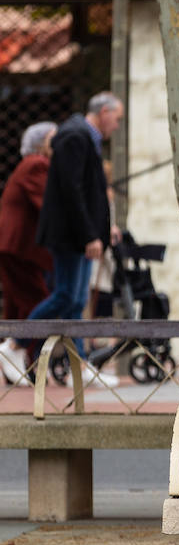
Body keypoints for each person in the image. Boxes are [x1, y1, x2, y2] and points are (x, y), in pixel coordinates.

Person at [28, 92, 123, 387]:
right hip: (71, 237)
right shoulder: (76, 136)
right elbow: (73, 191)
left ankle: (77, 367)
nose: (117, 126)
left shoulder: (82, 136)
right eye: (117, 119)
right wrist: (89, 235)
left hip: (77, 236)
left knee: (75, 301)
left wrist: (102, 228)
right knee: (67, 296)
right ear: (104, 111)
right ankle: (16, 343)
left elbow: (88, 191)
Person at [0, 121, 56, 384]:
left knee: (17, 304)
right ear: (42, 144)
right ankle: (14, 349)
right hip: (18, 246)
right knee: (38, 300)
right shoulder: (36, 164)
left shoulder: (30, 164)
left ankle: (19, 361)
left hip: (17, 247)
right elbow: (49, 203)